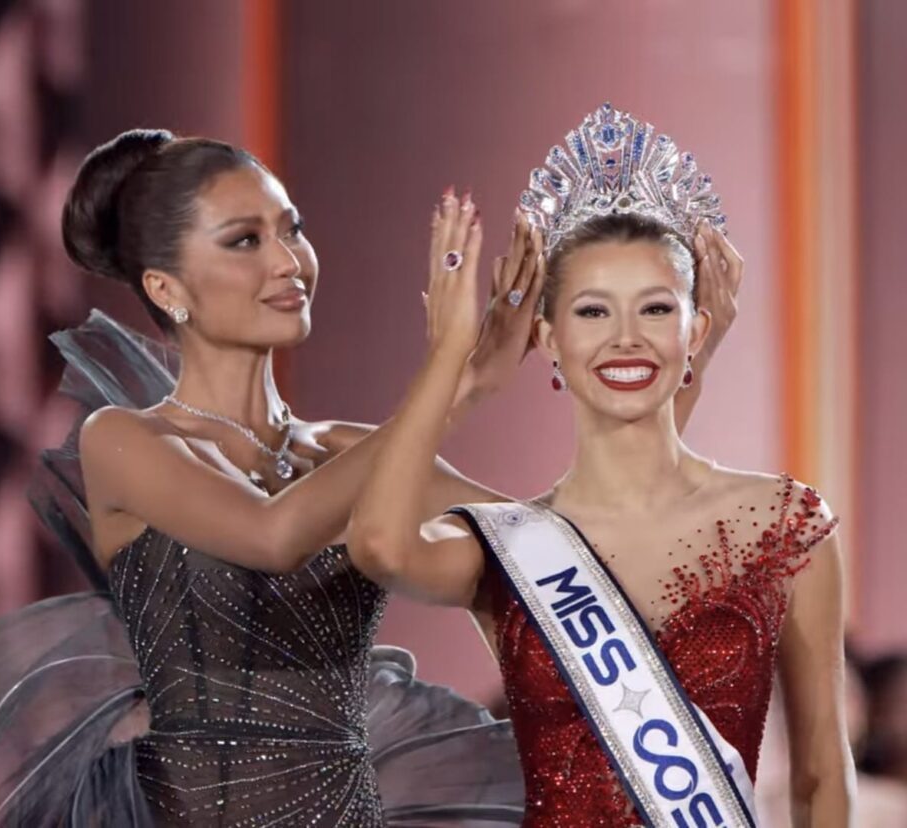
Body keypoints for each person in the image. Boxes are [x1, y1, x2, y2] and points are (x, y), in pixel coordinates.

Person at [0, 130, 536, 827]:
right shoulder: (126, 440)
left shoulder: (346, 450)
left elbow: (535, 545)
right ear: (166, 288)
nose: (289, 261)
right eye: (245, 241)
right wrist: (453, 381)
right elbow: (272, 535)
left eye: (292, 229)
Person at [348, 104, 854, 827]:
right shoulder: (508, 546)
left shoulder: (781, 523)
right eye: (592, 312)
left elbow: (820, 775)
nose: (625, 339)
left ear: (696, 330)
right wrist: (458, 363)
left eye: (655, 310)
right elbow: (379, 544)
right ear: (548, 339)